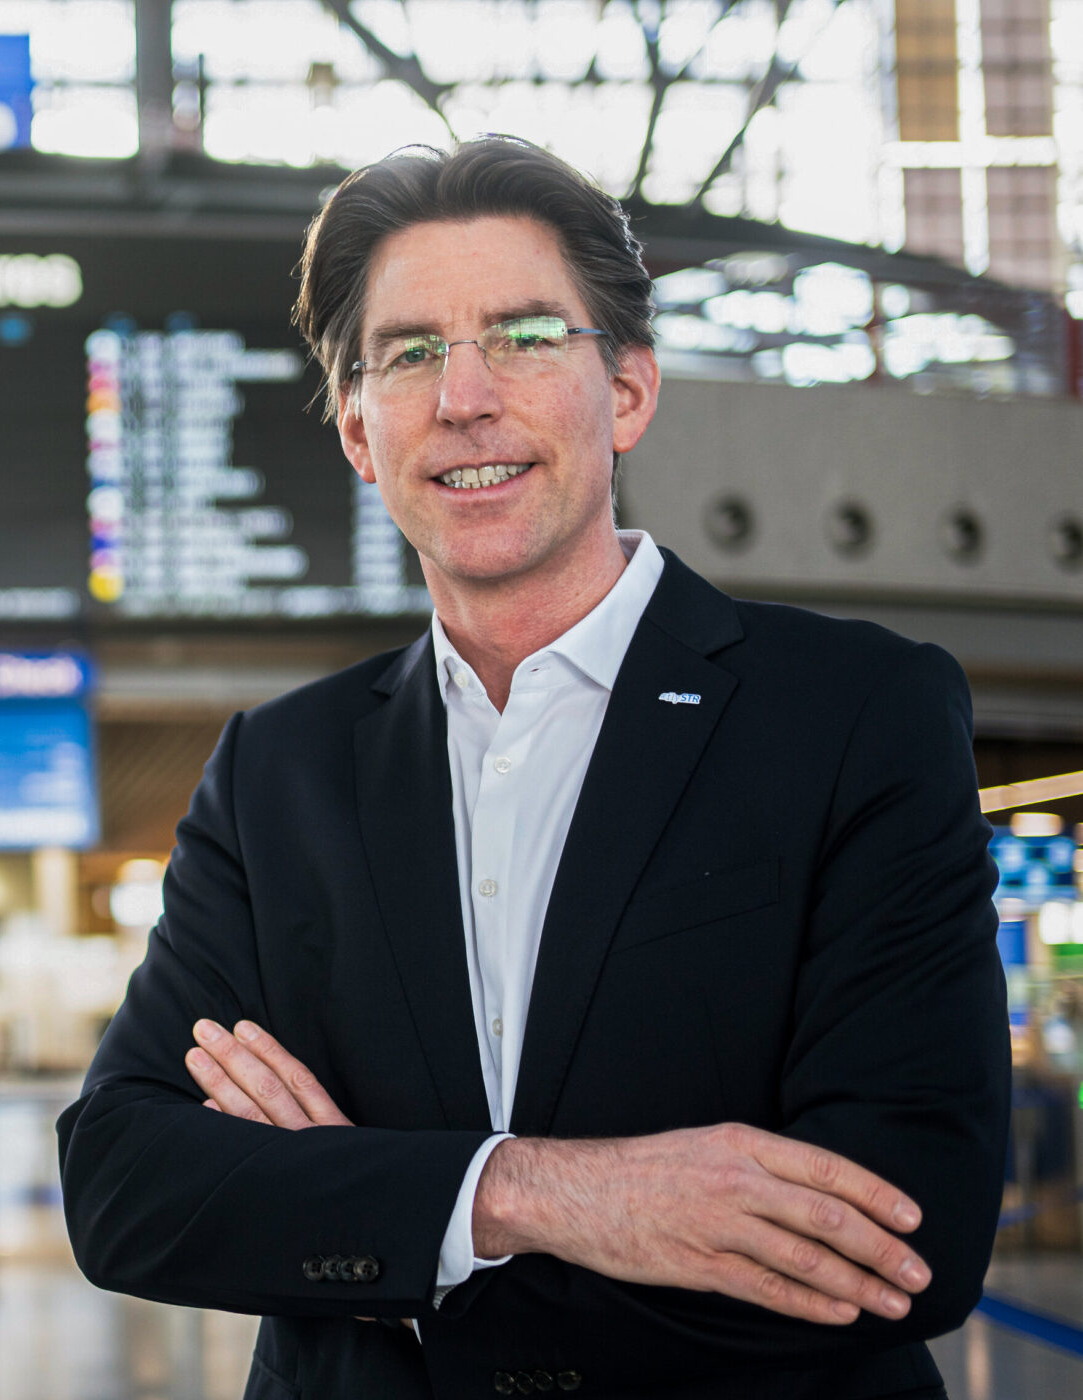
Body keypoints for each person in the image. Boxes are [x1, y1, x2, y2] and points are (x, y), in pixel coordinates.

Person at [57, 136, 1008, 1400]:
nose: (463, 397)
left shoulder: (852, 716)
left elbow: (904, 1236)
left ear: (626, 390)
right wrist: (535, 1193)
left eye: (522, 335)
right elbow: (124, 1184)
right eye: (408, 353)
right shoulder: (277, 773)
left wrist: (373, 1217)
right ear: (358, 430)